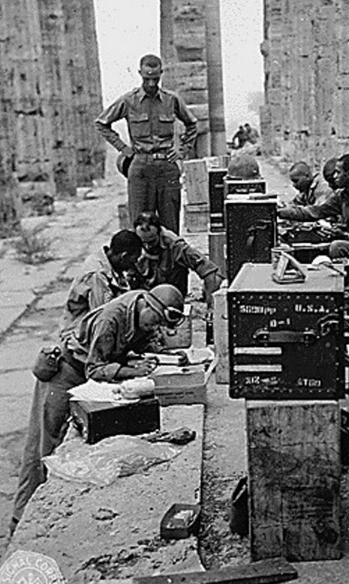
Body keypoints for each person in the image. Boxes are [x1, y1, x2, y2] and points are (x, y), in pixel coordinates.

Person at [11, 284, 185, 530]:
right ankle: (22, 519)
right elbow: (94, 368)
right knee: (44, 444)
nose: (154, 327)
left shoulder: (142, 310)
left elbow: (130, 346)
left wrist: (145, 356)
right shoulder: (111, 318)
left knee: (64, 442)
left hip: (84, 374)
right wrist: (132, 371)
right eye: (154, 320)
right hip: (65, 372)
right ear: (145, 304)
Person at [95, 54, 198, 234]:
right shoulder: (129, 101)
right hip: (140, 167)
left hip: (167, 167)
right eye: (147, 78)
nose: (151, 83)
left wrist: (182, 151)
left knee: (170, 227)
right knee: (140, 227)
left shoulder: (171, 100)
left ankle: (169, 262)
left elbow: (192, 124)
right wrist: (123, 148)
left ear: (161, 75)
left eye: (155, 79)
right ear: (140, 74)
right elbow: (102, 123)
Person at [278, 153, 349, 254]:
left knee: (335, 246)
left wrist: (344, 235)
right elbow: (315, 211)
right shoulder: (342, 195)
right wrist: (280, 212)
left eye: (338, 172)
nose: (334, 177)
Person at [59, 230, 143, 338]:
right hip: (79, 334)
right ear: (124, 256)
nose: (134, 265)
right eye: (133, 261)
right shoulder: (97, 276)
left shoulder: (110, 261)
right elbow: (104, 317)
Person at [133, 211, 224, 301]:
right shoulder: (132, 245)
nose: (148, 247)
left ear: (159, 234)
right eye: (143, 243)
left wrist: (210, 301)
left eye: (152, 242)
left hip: (171, 299)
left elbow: (212, 273)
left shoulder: (176, 247)